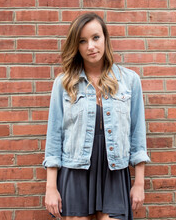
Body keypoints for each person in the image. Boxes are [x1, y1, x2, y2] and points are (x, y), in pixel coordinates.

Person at [43, 12, 150, 220]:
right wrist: (50, 187)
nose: (91, 46)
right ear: (76, 46)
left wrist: (139, 182)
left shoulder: (129, 80)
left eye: (95, 38)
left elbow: (138, 135)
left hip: (114, 171)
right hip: (75, 170)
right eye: (83, 41)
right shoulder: (64, 83)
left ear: (105, 38)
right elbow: (54, 137)